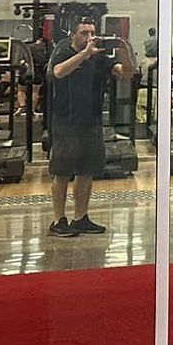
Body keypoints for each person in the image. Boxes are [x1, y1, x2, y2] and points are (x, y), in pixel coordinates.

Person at [46, 19, 131, 239]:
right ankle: (58, 220)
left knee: (87, 171)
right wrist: (85, 53)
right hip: (66, 120)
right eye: (84, 33)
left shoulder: (99, 57)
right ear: (74, 35)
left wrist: (125, 53)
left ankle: (81, 217)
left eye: (92, 33)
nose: (89, 37)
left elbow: (126, 73)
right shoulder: (63, 50)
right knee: (62, 172)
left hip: (92, 120)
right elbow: (58, 72)